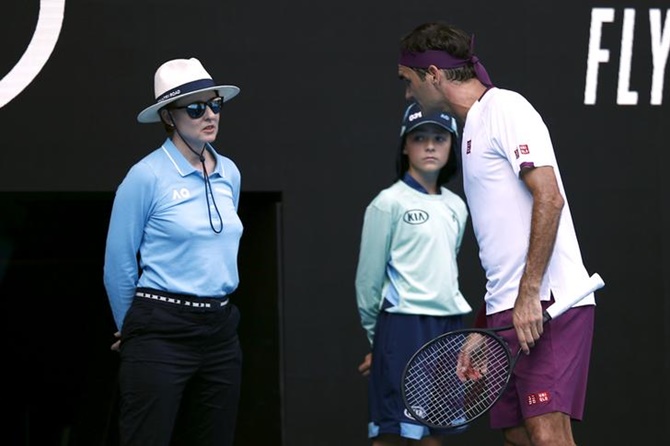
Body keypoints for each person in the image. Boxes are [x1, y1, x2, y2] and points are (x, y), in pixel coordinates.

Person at [397, 22, 597, 446]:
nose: (408, 94)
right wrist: (482, 326)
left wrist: (527, 295)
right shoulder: (470, 130)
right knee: (518, 434)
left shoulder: (506, 108)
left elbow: (550, 198)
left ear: (433, 74)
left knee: (547, 435)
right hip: (509, 310)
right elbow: (501, 243)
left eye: (409, 82)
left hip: (550, 301)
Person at [103, 57, 243, 446]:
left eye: (215, 104)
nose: (209, 114)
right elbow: (118, 263)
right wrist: (132, 330)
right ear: (169, 116)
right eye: (195, 108)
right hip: (160, 325)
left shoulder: (229, 172)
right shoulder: (145, 175)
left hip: (220, 329)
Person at [355, 102, 472, 445]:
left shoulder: (457, 206)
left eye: (440, 137)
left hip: (449, 328)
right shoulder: (387, 203)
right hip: (403, 327)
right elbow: (368, 282)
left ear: (451, 147)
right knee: (392, 432)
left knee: (433, 433)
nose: (431, 145)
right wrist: (378, 342)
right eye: (420, 138)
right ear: (405, 145)